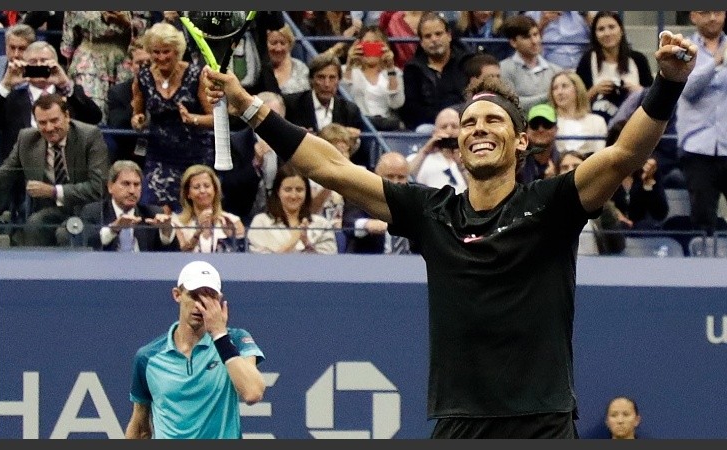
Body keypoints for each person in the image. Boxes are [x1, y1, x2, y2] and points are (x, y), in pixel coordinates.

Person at [204, 26, 696, 437]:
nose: (478, 128)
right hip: (459, 422)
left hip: (542, 421)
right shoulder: (430, 211)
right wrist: (247, 103)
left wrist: (668, 82)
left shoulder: (552, 204)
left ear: (521, 140)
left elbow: (624, 154)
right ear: (458, 146)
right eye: (469, 123)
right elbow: (330, 167)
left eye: (493, 121)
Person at [125, 260, 266, 439]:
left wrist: (220, 336)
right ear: (177, 295)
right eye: (194, 295)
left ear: (220, 301)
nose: (200, 306)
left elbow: (253, 392)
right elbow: (140, 428)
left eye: (209, 297)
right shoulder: (148, 358)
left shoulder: (234, 341)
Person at [0, 93, 109, 247]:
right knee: (34, 224)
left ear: (67, 116)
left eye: (54, 120)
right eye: (42, 122)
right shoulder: (27, 139)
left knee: (67, 232)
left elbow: (98, 187)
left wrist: (54, 191)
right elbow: (3, 176)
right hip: (50, 210)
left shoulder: (90, 136)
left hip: (87, 210)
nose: (49, 128)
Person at [677, 10, 727, 235]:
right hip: (697, 148)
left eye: (717, 12)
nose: (712, 18)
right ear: (693, 16)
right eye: (705, 12)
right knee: (703, 227)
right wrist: (717, 61)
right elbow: (688, 90)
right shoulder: (685, 49)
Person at [131, 22, 215, 214]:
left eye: (166, 52)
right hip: (159, 156)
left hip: (196, 155)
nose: (161, 57)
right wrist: (138, 121)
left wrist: (193, 118)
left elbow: (217, 118)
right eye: (156, 52)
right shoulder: (143, 78)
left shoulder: (196, 75)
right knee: (155, 212)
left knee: (193, 212)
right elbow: (138, 115)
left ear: (177, 51)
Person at [0, 40, 103, 167]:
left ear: (55, 65)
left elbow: (95, 117)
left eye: (44, 61)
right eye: (33, 62)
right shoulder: (11, 99)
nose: (39, 66)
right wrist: (5, 85)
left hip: (64, 172)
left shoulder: (70, 95)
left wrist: (65, 83)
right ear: (24, 67)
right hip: (21, 174)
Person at [281, 52, 366, 168]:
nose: (327, 84)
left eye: (332, 78)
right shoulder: (292, 105)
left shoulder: (350, 110)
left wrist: (354, 143)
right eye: (321, 77)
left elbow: (359, 156)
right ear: (311, 80)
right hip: (301, 168)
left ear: (338, 80)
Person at [575, 11, 654, 125]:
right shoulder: (587, 60)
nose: (607, 33)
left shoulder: (638, 59)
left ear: (621, 30)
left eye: (611, 27)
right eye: (601, 29)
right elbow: (576, 102)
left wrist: (638, 91)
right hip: (597, 123)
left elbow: (653, 98)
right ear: (595, 34)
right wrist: (595, 91)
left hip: (634, 123)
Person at [80, 160, 177, 252]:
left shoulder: (152, 214)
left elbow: (172, 254)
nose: (132, 191)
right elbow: (87, 244)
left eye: (136, 184)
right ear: (110, 187)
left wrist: (166, 231)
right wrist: (113, 229)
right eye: (126, 184)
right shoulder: (94, 212)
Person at [59, 11, 136, 125]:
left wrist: (126, 22)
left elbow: (68, 44)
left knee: (124, 111)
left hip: (123, 62)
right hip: (90, 63)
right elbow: (68, 41)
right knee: (92, 110)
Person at [399, 12, 473, 131]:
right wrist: (442, 119)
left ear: (449, 36)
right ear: (421, 42)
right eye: (428, 36)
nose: (434, 39)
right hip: (430, 126)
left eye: (438, 34)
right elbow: (411, 108)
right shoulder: (413, 69)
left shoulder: (467, 62)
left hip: (465, 122)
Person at [220, 91, 285, 225]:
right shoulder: (234, 142)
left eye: (275, 116)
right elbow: (230, 187)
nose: (270, 122)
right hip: (243, 215)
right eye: (265, 116)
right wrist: (256, 163)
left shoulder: (289, 144)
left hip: (281, 217)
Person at [247, 163, 338, 254]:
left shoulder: (322, 224)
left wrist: (307, 244)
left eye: (299, 190)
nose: (293, 196)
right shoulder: (261, 222)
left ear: (306, 192)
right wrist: (295, 239)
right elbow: (260, 264)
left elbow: (329, 264)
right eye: (288, 190)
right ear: (278, 192)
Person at [342, 151, 414, 254]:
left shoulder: (418, 196)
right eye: (389, 176)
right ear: (376, 176)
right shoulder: (361, 194)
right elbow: (348, 223)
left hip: (413, 263)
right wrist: (367, 224)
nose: (395, 182)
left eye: (401, 177)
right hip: (370, 261)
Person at [342, 25, 406, 131]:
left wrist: (390, 69)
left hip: (386, 125)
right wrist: (349, 64)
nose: (371, 47)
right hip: (357, 125)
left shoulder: (395, 72)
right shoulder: (345, 70)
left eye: (376, 43)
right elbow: (343, 100)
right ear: (358, 45)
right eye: (367, 44)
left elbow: (396, 104)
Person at [172, 164, 246, 253]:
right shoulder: (178, 222)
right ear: (188, 193)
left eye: (207, 186)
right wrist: (198, 232)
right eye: (196, 187)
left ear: (215, 190)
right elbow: (180, 256)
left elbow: (242, 256)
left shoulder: (233, 221)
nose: (202, 191)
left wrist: (231, 238)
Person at [499, 14, 564, 115]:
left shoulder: (556, 70)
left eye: (536, 34)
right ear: (513, 42)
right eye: (526, 37)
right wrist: (549, 95)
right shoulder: (504, 69)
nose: (534, 41)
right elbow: (511, 104)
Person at [106, 38, 151, 165]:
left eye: (149, 62)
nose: (145, 67)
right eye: (140, 63)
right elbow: (116, 127)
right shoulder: (118, 92)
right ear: (131, 65)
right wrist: (136, 102)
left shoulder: (168, 89)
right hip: (128, 155)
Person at [407, 107, 467, 194]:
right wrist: (424, 152)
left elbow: (479, 191)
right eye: (444, 127)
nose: (449, 131)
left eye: (454, 127)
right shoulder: (418, 158)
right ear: (434, 132)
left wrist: (461, 166)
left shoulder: (472, 160)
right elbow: (403, 178)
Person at [549, 70, 607, 156]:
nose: (559, 92)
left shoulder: (597, 121)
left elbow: (600, 156)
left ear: (577, 89)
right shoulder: (549, 124)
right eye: (555, 88)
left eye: (564, 86)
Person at [523, 11, 591, 70]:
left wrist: (587, 17)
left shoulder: (585, 13)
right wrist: (542, 23)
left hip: (583, 67)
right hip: (549, 69)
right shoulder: (531, 15)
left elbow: (599, 37)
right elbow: (526, 44)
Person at [518, 103, 560, 184]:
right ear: (526, 130)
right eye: (535, 124)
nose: (541, 130)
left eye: (547, 124)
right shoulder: (515, 163)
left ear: (556, 129)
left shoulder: (565, 163)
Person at [266, 25, 310, 95]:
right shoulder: (257, 69)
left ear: (289, 45)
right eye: (273, 43)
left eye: (283, 43)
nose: (278, 49)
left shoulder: (300, 68)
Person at [0, 23, 36, 87]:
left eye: (22, 49)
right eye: (12, 48)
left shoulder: (40, 71)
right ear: (6, 46)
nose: (16, 54)